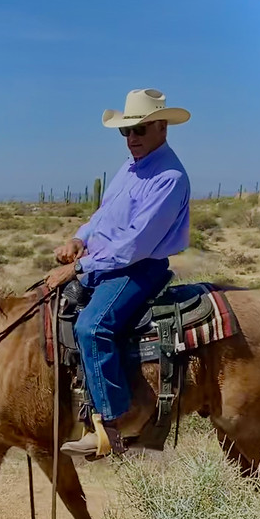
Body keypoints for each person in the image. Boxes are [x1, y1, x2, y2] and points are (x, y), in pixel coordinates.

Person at [45, 88, 192, 458]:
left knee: (92, 328)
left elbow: (134, 246)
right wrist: (79, 239)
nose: (132, 139)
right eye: (126, 132)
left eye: (139, 131)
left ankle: (109, 425)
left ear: (162, 127)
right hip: (104, 261)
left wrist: (79, 267)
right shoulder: (130, 168)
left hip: (138, 269)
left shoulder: (169, 177)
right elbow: (103, 216)